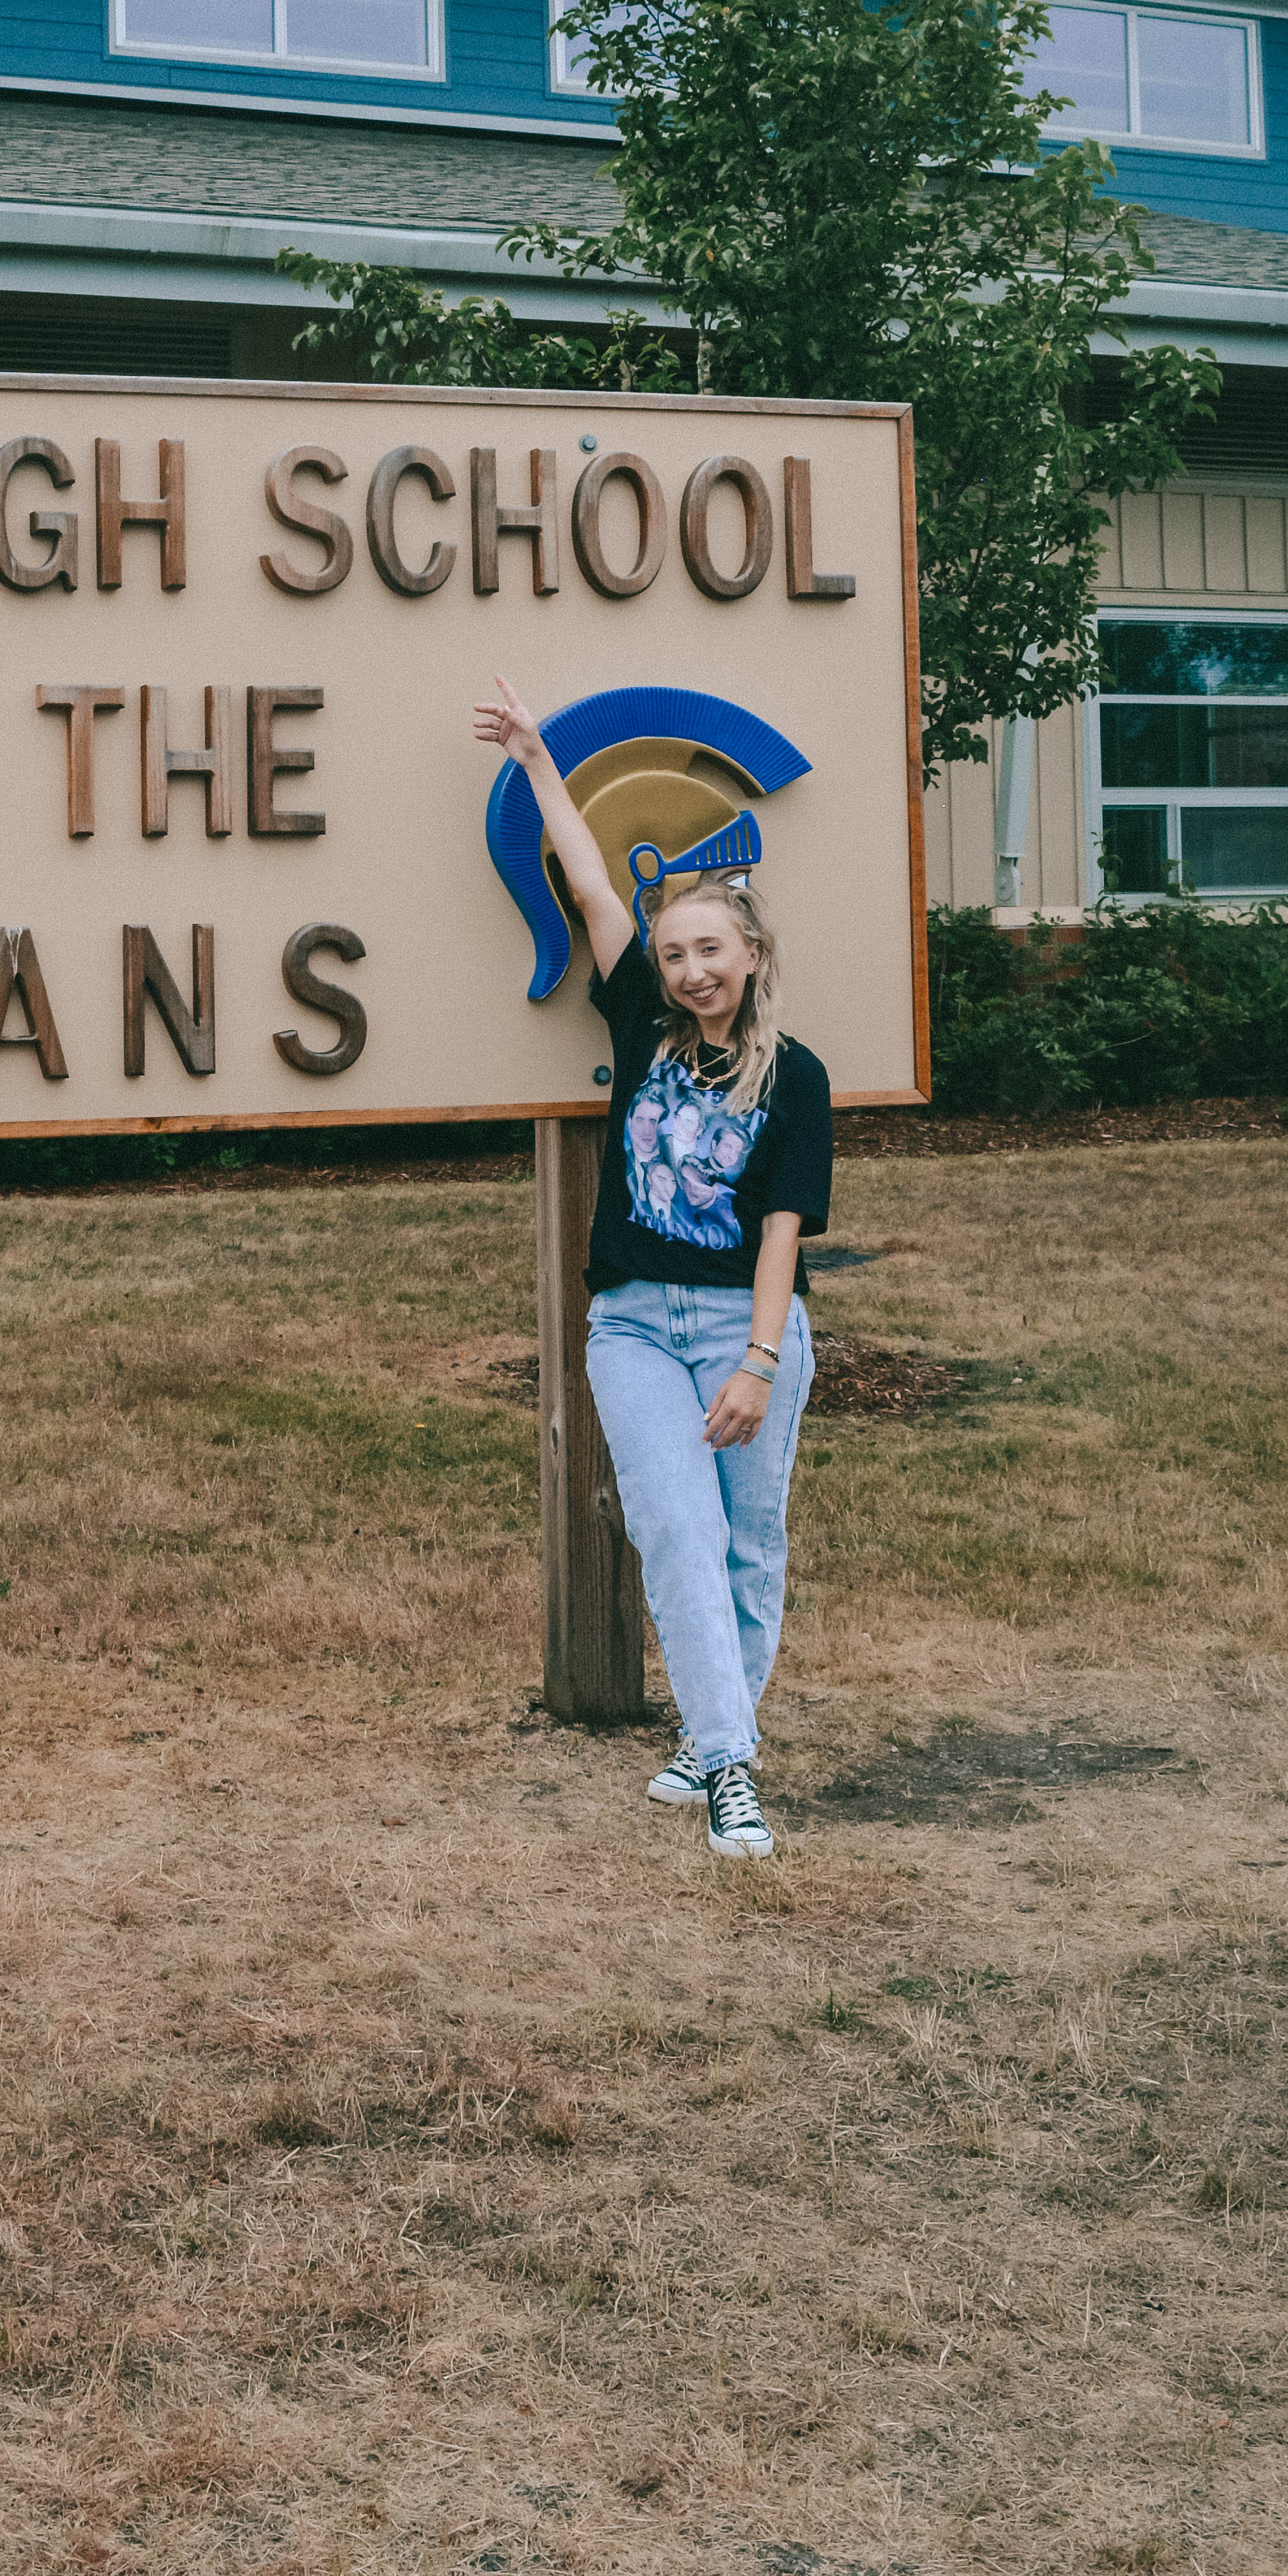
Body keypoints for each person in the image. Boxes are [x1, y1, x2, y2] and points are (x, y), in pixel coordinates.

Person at [472, 675, 831, 1858]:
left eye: (709, 950)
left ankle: (714, 1735)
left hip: (744, 1326)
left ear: (752, 952)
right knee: (676, 1530)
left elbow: (782, 1231)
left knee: (748, 1544)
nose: (689, 970)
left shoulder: (797, 1077)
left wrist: (761, 1364)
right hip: (631, 1323)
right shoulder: (641, 1021)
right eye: (674, 952)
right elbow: (588, 880)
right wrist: (537, 759)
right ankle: (730, 1767)